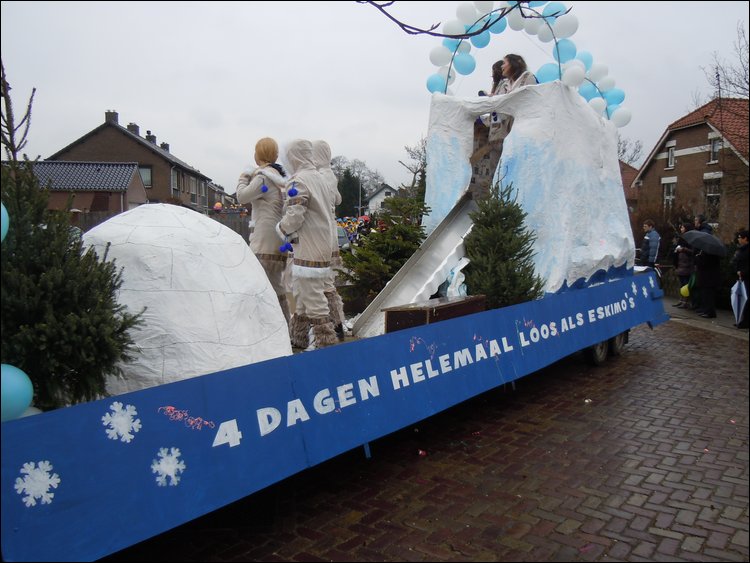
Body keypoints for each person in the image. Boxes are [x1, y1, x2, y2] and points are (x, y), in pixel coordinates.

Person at [276, 139, 338, 350]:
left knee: (312, 297)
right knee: (303, 295)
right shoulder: (320, 178)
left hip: (308, 247)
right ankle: (299, 337)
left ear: (293, 157)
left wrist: (282, 228)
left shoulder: (298, 181)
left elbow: (295, 215)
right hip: (322, 244)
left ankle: (326, 344)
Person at [235, 137, 291, 323]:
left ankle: (276, 325)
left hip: (264, 239)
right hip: (277, 238)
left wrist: (244, 176)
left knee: (265, 285)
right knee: (275, 284)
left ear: (258, 154)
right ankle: (283, 324)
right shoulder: (279, 179)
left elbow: (242, 196)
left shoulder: (263, 177)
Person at [472, 54, 538, 198]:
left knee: (514, 167)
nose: (502, 66)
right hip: (499, 132)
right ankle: (495, 199)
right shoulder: (507, 84)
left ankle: (512, 198)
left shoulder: (527, 78)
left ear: (514, 63)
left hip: (518, 130)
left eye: (504, 63)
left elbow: (531, 101)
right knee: (497, 169)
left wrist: (495, 100)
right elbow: (498, 108)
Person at [312, 139, 346, 340]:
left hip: (322, 231)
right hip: (330, 230)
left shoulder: (320, 177)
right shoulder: (330, 175)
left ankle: (331, 325)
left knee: (321, 281)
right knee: (327, 280)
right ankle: (337, 323)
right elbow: (338, 199)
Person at [671, 222, 695, 308]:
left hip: (686, 264)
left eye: (683, 228)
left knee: (685, 284)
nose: (681, 229)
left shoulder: (690, 239)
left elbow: (692, 251)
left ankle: (686, 301)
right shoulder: (681, 238)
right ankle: (681, 300)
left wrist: (683, 249)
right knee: (681, 284)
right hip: (680, 264)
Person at [731, 229, 749, 328]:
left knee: (746, 298)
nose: (738, 239)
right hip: (741, 277)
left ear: (745, 238)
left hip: (746, 277)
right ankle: (741, 319)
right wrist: (737, 270)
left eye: (739, 237)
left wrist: (742, 272)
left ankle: (746, 321)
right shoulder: (741, 249)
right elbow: (737, 261)